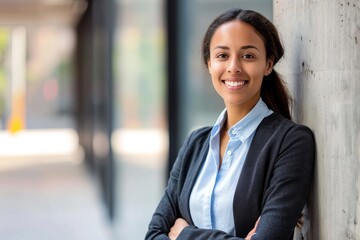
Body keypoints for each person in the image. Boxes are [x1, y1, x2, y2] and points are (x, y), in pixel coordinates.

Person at [145, 8, 315, 240]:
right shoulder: (195, 143)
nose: (233, 67)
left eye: (248, 56)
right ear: (209, 64)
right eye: (222, 55)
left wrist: (186, 235)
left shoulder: (290, 142)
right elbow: (154, 234)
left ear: (268, 64)